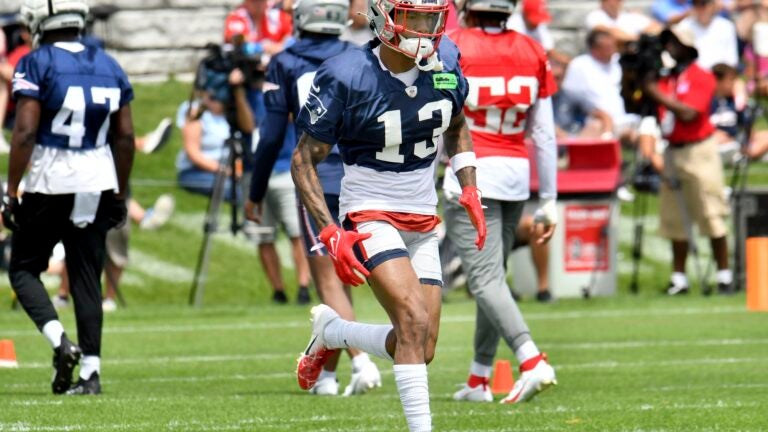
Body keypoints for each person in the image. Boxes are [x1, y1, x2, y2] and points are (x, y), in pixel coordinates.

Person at [291, 0, 486, 428]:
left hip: (422, 213)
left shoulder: (446, 61)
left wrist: (468, 184)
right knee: (413, 320)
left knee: (420, 343)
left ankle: (333, 332)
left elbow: (456, 126)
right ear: (384, 18)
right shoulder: (347, 74)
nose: (425, 28)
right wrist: (330, 232)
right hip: (370, 210)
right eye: (413, 17)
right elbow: (304, 159)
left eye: (431, 18)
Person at [246, 0, 382, 393]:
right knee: (350, 274)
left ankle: (361, 361)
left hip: (316, 174)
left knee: (329, 279)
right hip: (362, 172)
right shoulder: (359, 56)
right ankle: (326, 374)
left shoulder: (285, 62)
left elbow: (271, 136)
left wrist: (254, 193)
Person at [1, 0, 135, 395]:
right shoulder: (109, 64)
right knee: (86, 276)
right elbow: (125, 136)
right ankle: (91, 373)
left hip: (50, 177)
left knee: (24, 269)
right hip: (96, 178)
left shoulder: (35, 61)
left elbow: (24, 132)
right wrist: (120, 189)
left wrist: (11, 191)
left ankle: (61, 340)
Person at [445, 0, 558, 404]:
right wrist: (549, 198)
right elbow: (543, 133)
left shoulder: (453, 44)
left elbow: (439, 116)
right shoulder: (531, 48)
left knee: (485, 280)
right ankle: (478, 379)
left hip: (471, 173)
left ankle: (531, 360)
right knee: (493, 279)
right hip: (515, 175)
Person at [639, 25, 733, 295]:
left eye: (675, 43)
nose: (670, 48)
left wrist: (652, 89)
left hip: (699, 150)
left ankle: (724, 275)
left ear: (688, 47)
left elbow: (689, 113)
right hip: (671, 149)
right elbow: (637, 103)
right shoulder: (666, 77)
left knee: (710, 211)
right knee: (673, 218)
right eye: (668, 43)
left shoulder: (701, 76)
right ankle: (679, 278)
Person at [175, 69, 254, 199]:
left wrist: (239, 95)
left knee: (255, 189)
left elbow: (248, 127)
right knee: (241, 193)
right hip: (196, 172)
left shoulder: (232, 111)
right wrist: (227, 171)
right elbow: (193, 154)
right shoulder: (194, 110)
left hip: (232, 171)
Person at [676, 0, 738, 70]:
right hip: (694, 76)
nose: (700, 8)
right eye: (695, 4)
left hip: (719, 75)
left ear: (713, 5)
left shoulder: (727, 26)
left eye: (703, 4)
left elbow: (732, 60)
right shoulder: (684, 26)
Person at [586, 0, 662, 44]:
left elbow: (657, 27)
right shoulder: (595, 16)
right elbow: (609, 33)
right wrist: (641, 38)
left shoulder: (629, 16)